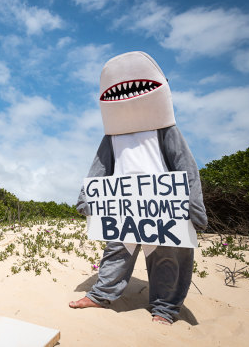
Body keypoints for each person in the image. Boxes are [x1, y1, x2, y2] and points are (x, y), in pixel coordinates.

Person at [69, 52, 207, 325]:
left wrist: (194, 205)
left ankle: (164, 308)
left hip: (165, 206)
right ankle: (101, 295)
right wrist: (87, 198)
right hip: (124, 204)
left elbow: (186, 166)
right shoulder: (111, 137)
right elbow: (100, 167)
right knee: (117, 250)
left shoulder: (167, 131)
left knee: (168, 257)